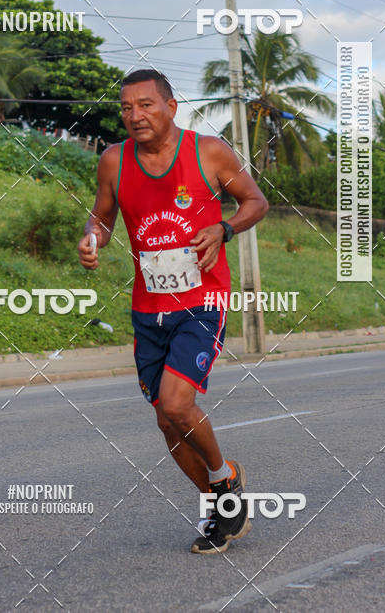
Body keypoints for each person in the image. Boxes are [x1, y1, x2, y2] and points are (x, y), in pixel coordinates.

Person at [78, 70, 268, 554]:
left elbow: (255, 201)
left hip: (202, 301)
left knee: (178, 404)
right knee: (165, 418)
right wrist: (93, 238)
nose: (135, 115)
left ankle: (224, 478)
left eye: (145, 105)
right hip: (149, 306)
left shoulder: (208, 152)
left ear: (171, 106)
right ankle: (219, 509)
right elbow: (103, 214)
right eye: (126, 108)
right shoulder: (114, 160)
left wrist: (223, 230)